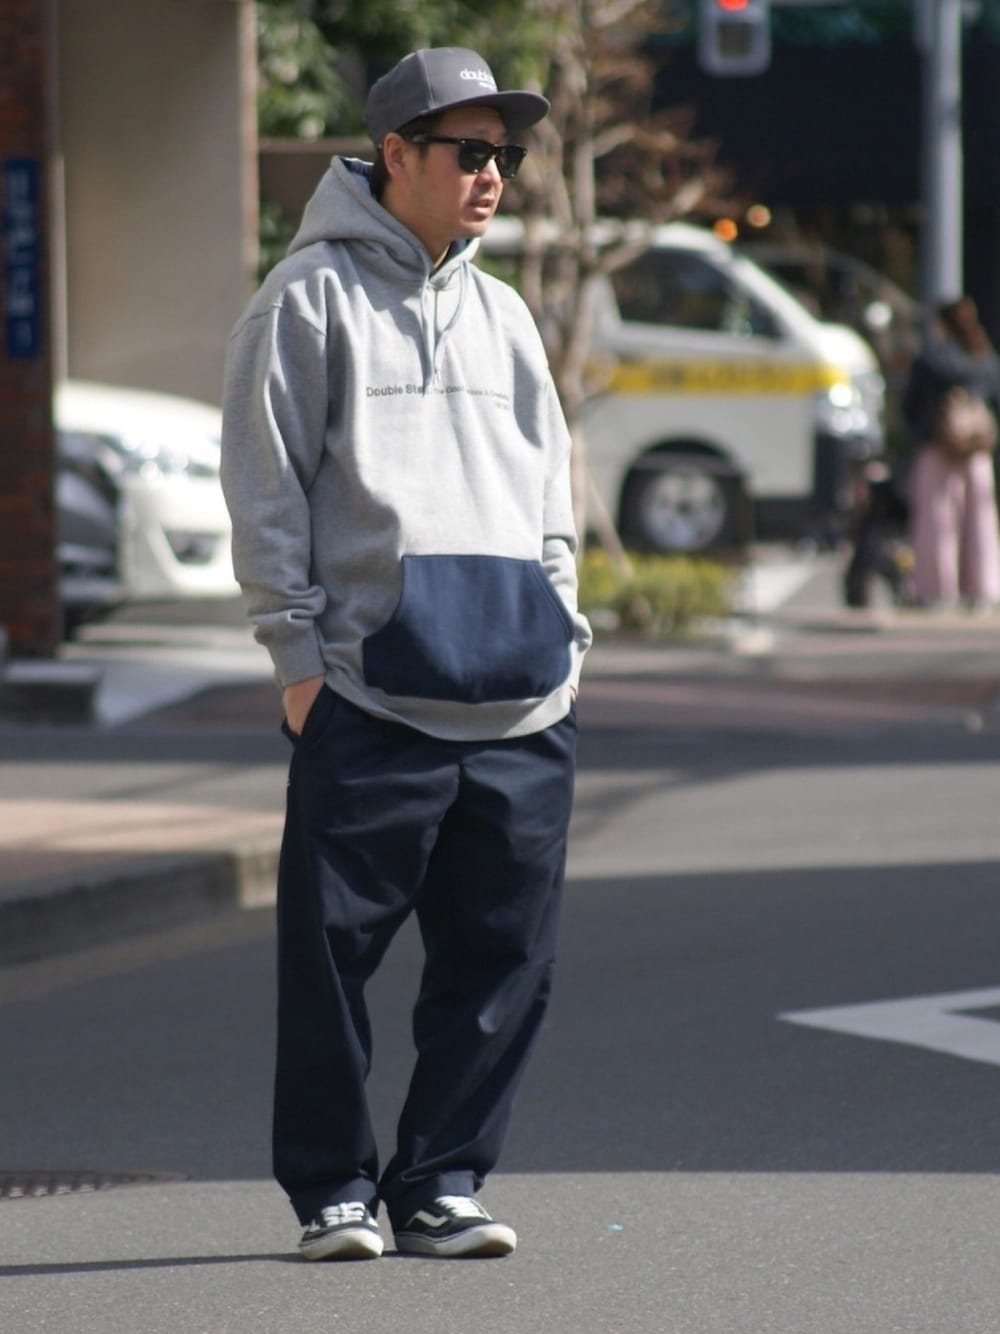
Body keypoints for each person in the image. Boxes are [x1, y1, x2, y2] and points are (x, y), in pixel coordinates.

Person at [220, 47, 591, 1262]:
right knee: (329, 961)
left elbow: (550, 496)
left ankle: (441, 1180)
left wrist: (565, 638)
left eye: (504, 155)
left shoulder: (505, 312)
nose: (493, 175)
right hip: (369, 695)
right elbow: (266, 490)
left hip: (522, 703)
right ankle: (334, 1186)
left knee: (503, 963)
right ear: (394, 154)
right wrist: (297, 662)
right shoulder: (307, 299)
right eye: (468, 152)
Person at [902, 295, 1000, 609]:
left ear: (942, 324)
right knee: (980, 522)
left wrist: (921, 434)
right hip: (977, 450)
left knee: (937, 522)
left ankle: (937, 590)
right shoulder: (983, 356)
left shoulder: (932, 359)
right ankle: (983, 588)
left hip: (938, 447)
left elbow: (910, 405)